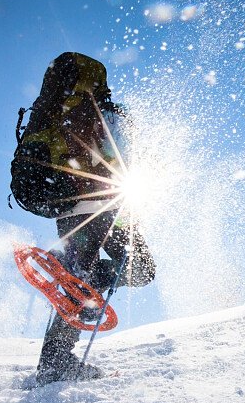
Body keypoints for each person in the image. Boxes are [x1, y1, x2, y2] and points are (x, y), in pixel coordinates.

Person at [17, 52, 155, 386]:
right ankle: (55, 363)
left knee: (100, 277)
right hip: (104, 208)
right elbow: (125, 161)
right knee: (137, 270)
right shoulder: (105, 114)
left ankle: (78, 284)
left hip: (75, 208)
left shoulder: (66, 113)